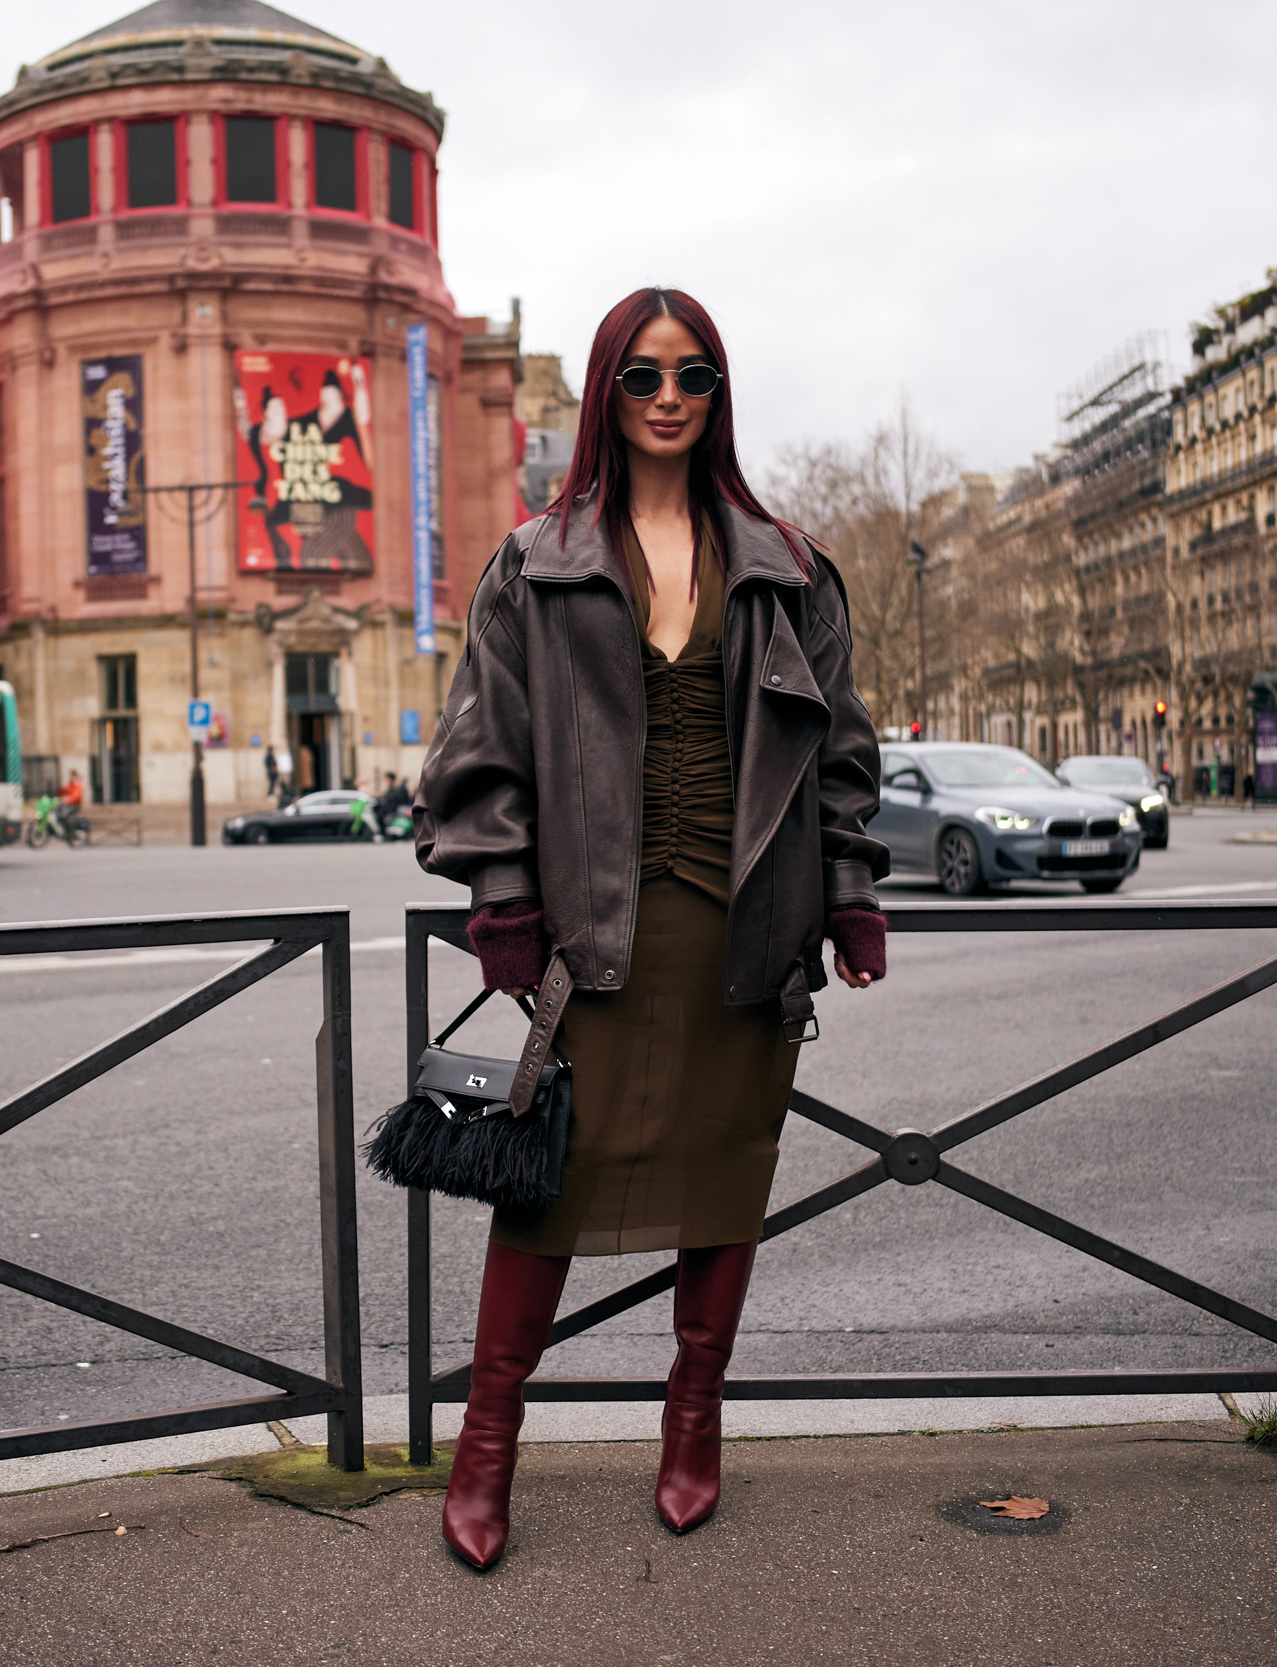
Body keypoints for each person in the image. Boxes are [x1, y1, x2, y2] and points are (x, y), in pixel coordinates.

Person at [413, 286, 887, 1572]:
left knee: (728, 1173)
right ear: (607, 395)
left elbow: (840, 754)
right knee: (552, 1184)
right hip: (595, 929)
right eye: (642, 376)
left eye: (692, 377)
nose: (668, 398)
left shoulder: (788, 563)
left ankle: (692, 1426)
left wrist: (848, 888)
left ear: (717, 396)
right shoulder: (536, 559)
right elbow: (482, 746)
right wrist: (503, 900)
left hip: (754, 923)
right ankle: (486, 1443)